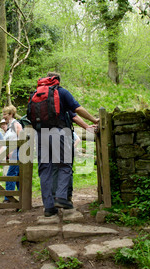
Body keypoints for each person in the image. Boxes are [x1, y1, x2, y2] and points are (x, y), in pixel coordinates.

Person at [36, 72, 99, 217]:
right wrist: (94, 120)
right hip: (59, 132)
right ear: (57, 80)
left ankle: (49, 207)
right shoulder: (61, 92)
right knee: (65, 165)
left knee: (45, 169)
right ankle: (61, 198)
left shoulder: (37, 95)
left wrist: (85, 127)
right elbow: (77, 110)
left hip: (40, 134)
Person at [0, 105, 23, 203]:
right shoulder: (9, 128)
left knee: (10, 174)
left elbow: (22, 140)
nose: (3, 116)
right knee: (18, 176)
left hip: (17, 154)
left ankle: (8, 198)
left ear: (11, 114)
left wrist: (15, 152)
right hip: (12, 155)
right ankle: (22, 197)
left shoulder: (16, 125)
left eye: (5, 114)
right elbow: (4, 145)